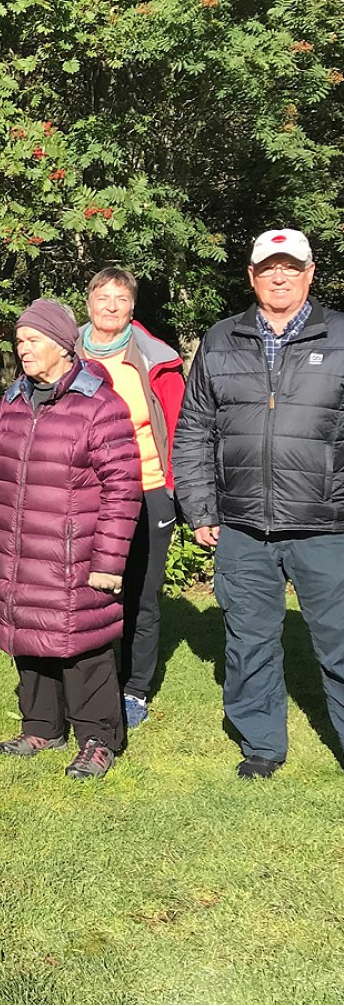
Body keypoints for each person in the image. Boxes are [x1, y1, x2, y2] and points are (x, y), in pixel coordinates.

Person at [172, 228, 344, 779]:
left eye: (290, 267)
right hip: (242, 526)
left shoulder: (340, 336)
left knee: (340, 643)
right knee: (249, 642)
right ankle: (261, 745)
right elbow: (194, 430)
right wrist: (201, 507)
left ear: (309, 273)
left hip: (326, 524)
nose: (279, 277)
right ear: (251, 276)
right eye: (269, 268)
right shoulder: (221, 339)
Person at [0, 299, 141, 780]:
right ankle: (42, 725)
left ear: (63, 345)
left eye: (33, 340)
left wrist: (108, 561)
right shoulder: (14, 401)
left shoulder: (100, 406)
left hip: (74, 553)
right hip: (18, 549)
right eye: (19, 340)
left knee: (84, 644)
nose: (23, 349)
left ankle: (98, 739)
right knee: (28, 634)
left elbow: (123, 489)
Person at [77, 268, 186, 728]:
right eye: (103, 297)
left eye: (121, 298)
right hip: (85, 493)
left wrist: (177, 492)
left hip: (148, 489)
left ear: (132, 306)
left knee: (141, 591)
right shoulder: (65, 355)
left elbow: (181, 429)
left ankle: (134, 689)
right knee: (87, 592)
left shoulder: (156, 360)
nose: (111, 306)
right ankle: (89, 681)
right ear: (88, 302)